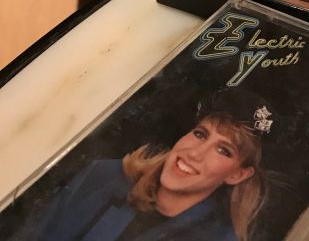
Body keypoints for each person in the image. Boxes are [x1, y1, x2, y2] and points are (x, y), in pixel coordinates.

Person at [20, 92, 270, 241]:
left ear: (238, 174)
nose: (195, 153)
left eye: (223, 150)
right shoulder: (102, 176)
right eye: (200, 134)